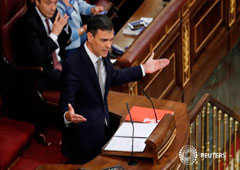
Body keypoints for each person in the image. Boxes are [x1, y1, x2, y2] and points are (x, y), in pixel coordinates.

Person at [60, 15, 170, 164]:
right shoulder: (73, 65)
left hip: (104, 129)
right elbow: (66, 102)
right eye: (104, 40)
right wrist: (68, 115)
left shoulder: (102, 55)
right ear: (90, 37)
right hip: (83, 140)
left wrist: (143, 69)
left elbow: (113, 76)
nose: (109, 46)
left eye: (111, 40)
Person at [20, 0, 72, 91]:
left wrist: (65, 26)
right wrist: (54, 34)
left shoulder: (51, 12)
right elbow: (37, 57)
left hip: (59, 61)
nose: (53, 8)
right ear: (37, 2)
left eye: (55, 3)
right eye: (48, 3)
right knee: (77, 81)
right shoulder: (28, 23)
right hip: (43, 72)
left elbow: (64, 40)